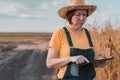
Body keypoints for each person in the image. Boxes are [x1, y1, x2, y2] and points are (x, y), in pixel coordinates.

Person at [46, 0, 110, 80]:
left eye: (84, 15)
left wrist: (101, 63)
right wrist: (71, 58)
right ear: (70, 16)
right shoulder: (60, 33)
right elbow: (49, 63)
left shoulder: (90, 34)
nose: (82, 18)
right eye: (78, 15)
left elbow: (94, 61)